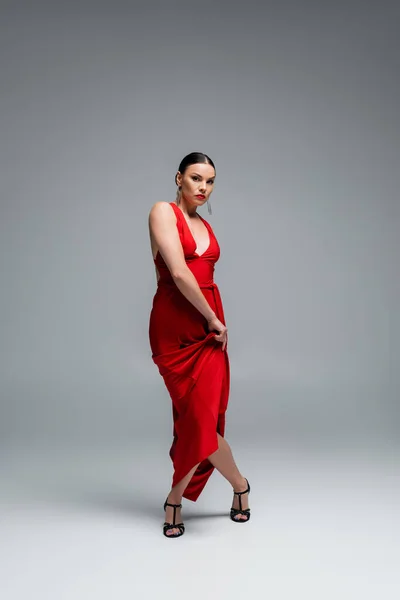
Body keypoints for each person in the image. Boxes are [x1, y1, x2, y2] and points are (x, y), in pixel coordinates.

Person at [148, 152, 251, 538]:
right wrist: (211, 317)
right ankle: (240, 485)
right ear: (178, 178)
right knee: (195, 420)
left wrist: (213, 320)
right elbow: (177, 271)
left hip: (210, 326)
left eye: (209, 182)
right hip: (178, 326)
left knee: (202, 420)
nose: (203, 188)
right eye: (195, 179)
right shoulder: (162, 212)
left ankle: (174, 499)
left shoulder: (203, 223)